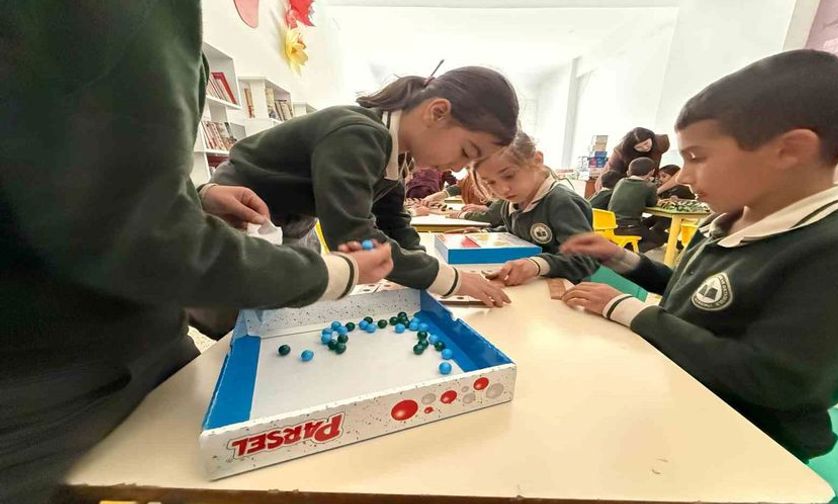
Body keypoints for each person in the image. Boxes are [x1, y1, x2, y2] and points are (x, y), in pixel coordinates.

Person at [0, 3, 393, 502]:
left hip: (117, 349)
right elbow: (151, 241)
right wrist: (336, 273)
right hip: (56, 381)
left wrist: (193, 195)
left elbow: (78, 171)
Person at [560, 49, 838, 462]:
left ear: (790, 150)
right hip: (682, 394)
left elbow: (775, 379)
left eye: (697, 157)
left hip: (755, 443)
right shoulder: (728, 219)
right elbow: (699, 297)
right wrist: (623, 259)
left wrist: (630, 311)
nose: (682, 177)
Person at [208, 66, 521, 309]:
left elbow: (393, 221)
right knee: (248, 316)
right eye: (466, 152)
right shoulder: (359, 134)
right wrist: (447, 279)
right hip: (238, 213)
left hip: (289, 221)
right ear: (437, 112)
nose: (456, 168)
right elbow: (352, 237)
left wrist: (425, 272)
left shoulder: (399, 154)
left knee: (289, 305)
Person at [473, 132, 598, 286]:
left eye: (510, 175)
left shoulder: (562, 202)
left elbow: (586, 259)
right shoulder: (511, 203)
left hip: (563, 292)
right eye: (491, 182)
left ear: (537, 160)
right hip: (527, 285)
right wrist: (483, 234)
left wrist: (537, 265)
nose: (503, 189)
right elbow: (516, 233)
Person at [607, 157, 660, 251]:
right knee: (658, 240)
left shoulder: (621, 182)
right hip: (629, 228)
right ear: (651, 172)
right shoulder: (649, 186)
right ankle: (630, 253)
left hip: (610, 226)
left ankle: (627, 247)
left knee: (646, 225)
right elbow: (652, 204)